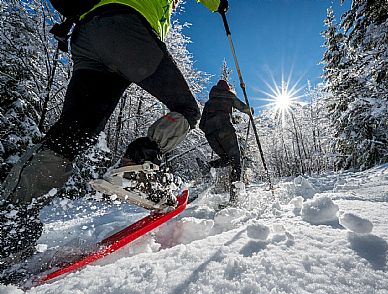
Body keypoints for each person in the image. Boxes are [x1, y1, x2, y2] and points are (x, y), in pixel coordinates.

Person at [0, 0, 229, 275]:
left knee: (73, 133)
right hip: (126, 29)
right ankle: (138, 166)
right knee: (187, 109)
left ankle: (9, 226)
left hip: (87, 38)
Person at [199, 79, 252, 204]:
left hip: (211, 135)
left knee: (227, 159)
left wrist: (212, 130)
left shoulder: (208, 102)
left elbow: (201, 125)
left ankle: (209, 166)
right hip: (225, 131)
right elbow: (242, 107)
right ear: (227, 88)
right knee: (236, 163)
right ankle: (234, 199)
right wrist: (250, 111)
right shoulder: (228, 96)